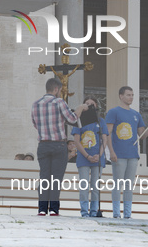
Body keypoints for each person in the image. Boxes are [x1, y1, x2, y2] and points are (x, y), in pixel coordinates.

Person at [31, 78, 88, 216]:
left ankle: (42, 209)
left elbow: (35, 124)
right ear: (56, 89)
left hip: (43, 144)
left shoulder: (35, 104)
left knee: (44, 177)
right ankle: (54, 210)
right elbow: (72, 119)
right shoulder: (59, 102)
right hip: (58, 144)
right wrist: (80, 108)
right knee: (56, 178)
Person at [106, 86, 148, 219]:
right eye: (128, 95)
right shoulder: (113, 112)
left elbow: (142, 135)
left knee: (129, 185)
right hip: (119, 154)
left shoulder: (136, 114)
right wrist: (111, 151)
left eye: (132, 95)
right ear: (121, 96)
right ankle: (116, 212)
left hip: (133, 155)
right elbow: (108, 133)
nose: (131, 97)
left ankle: (127, 213)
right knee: (118, 184)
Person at [71, 96, 108, 217]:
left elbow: (104, 140)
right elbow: (76, 141)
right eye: (86, 104)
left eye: (92, 104)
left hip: (98, 159)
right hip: (83, 158)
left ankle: (93, 211)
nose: (89, 106)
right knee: (84, 186)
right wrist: (87, 156)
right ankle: (84, 211)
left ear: (96, 107)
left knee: (95, 187)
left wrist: (100, 155)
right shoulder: (79, 120)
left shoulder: (100, 121)